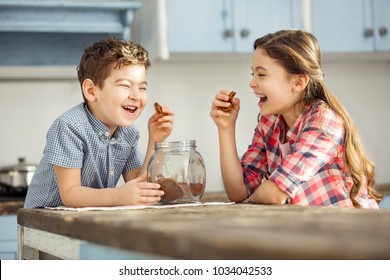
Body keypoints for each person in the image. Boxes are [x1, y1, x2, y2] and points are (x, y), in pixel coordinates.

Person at [210, 30, 382, 208]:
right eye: (252, 73)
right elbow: (238, 191)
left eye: (261, 74)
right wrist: (226, 128)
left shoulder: (323, 121)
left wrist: (253, 199)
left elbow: (274, 193)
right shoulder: (269, 123)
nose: (252, 82)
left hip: (350, 230)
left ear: (298, 82)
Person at [24, 37, 174, 208]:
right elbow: (70, 194)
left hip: (85, 220)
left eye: (142, 88)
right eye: (125, 85)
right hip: (42, 222)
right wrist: (117, 196)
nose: (136, 95)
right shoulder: (69, 127)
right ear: (91, 91)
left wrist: (155, 141)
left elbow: (140, 184)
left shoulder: (129, 133)